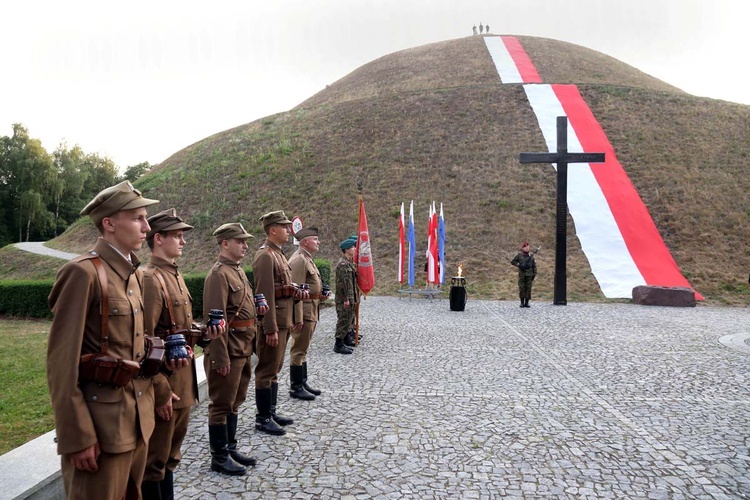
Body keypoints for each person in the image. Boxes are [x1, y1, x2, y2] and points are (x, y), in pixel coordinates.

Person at [47, 180, 159, 499]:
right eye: (137, 218)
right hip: (101, 431)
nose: (146, 227)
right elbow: (61, 364)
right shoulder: (82, 273)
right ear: (109, 224)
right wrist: (78, 436)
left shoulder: (133, 275)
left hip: (136, 422)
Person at [141, 208, 209, 499]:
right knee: (154, 461)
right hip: (165, 381)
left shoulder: (173, 275)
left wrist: (203, 334)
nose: (183, 242)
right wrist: (159, 389)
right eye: (177, 236)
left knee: (170, 455)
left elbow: (176, 328)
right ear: (158, 239)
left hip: (182, 378)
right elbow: (143, 340)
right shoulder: (150, 278)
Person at [203, 222, 265, 476]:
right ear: (225, 243)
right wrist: (219, 356)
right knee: (221, 405)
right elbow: (215, 319)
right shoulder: (218, 274)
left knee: (235, 402)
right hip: (228, 349)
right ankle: (219, 456)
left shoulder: (236, 271)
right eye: (240, 241)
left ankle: (230, 447)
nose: (245, 245)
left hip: (243, 347)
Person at [252, 210, 302, 435]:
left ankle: (270, 411)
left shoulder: (278, 254)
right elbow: (264, 294)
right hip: (274, 323)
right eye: (284, 227)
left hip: (283, 320)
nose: (288, 230)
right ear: (273, 230)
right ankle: (263, 418)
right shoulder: (265, 256)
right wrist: (269, 327)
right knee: (266, 369)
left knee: (275, 367)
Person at [288, 226, 328, 400]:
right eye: (315, 239)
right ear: (305, 242)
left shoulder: (307, 259)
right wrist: (296, 317)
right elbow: (295, 292)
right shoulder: (299, 260)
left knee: (303, 349)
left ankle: (302, 382)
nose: (318, 242)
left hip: (311, 309)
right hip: (303, 312)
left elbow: (309, 288)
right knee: (298, 349)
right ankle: (296, 387)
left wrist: (321, 295)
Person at [334, 236, 358, 354]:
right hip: (345, 298)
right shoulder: (343, 265)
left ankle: (346, 339)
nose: (354, 249)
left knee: (349, 319)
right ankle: (338, 344)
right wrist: (346, 299)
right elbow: (342, 285)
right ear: (346, 249)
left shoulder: (349, 263)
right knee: (343, 320)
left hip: (351, 296)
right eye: (352, 247)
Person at [510, 242, 537, 308]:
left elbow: (534, 266)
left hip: (529, 275)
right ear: (523, 248)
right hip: (522, 275)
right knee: (522, 288)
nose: (527, 248)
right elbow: (513, 261)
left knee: (528, 288)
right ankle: (522, 302)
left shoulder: (531, 257)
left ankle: (527, 302)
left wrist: (534, 274)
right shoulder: (519, 255)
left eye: (528, 247)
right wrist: (519, 265)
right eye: (525, 247)